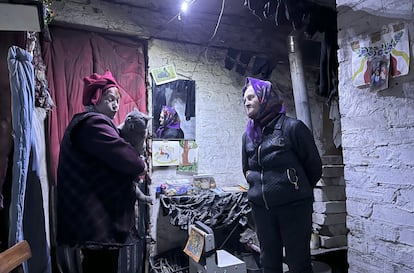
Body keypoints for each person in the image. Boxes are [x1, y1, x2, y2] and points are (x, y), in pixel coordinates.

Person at [56, 70, 147, 273]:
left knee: (98, 265)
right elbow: (133, 163)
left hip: (95, 220)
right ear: (95, 99)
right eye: (109, 99)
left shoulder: (90, 123)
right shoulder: (94, 124)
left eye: (117, 100)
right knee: (101, 267)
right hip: (98, 221)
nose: (115, 105)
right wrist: (140, 163)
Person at [241, 77, 322, 273]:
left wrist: (293, 190)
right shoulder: (248, 136)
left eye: (251, 97)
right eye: (244, 99)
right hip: (262, 210)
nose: (246, 102)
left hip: (293, 209)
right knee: (269, 263)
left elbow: (314, 167)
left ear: (265, 98)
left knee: (298, 263)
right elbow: (247, 170)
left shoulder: (292, 128)